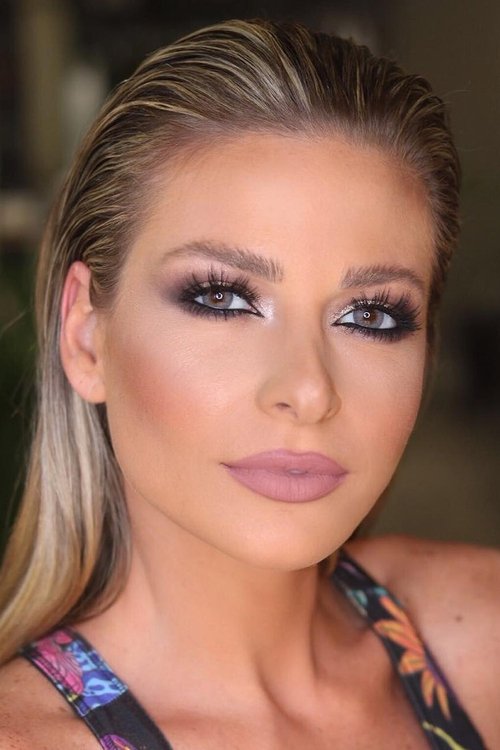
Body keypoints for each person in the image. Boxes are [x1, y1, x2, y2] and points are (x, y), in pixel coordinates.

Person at [0, 17, 498, 750]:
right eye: (223, 297)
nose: (308, 389)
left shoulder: (482, 643)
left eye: (370, 314)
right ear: (85, 336)